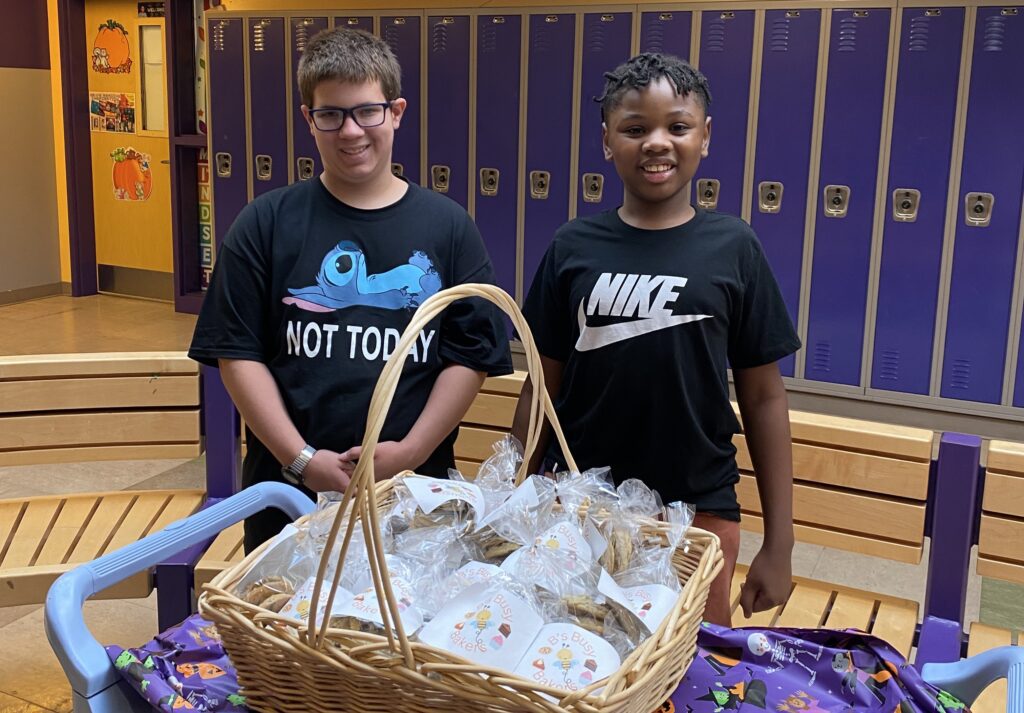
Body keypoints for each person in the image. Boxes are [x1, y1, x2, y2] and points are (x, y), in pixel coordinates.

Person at [189, 28, 512, 552]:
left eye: (368, 111)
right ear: (308, 120)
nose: (351, 131)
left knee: (402, 631)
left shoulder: (448, 228)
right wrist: (301, 460)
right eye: (331, 115)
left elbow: (470, 355)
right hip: (287, 499)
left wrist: (410, 451)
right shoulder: (264, 224)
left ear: (397, 112)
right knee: (284, 628)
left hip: (414, 495)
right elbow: (236, 353)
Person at [510, 53, 800, 626]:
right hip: (580, 509)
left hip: (697, 511)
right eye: (635, 129)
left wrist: (781, 545)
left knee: (686, 672)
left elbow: (765, 398)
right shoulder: (573, 246)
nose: (656, 143)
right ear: (607, 141)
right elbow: (541, 387)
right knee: (573, 659)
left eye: (678, 126)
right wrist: (512, 495)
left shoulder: (734, 247)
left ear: (705, 136)